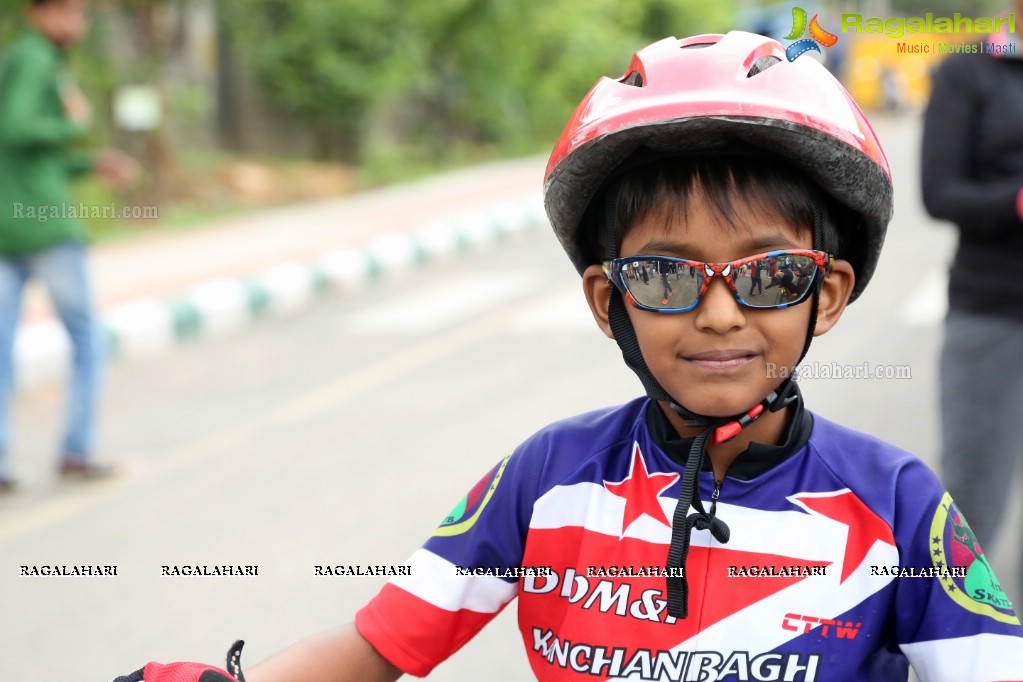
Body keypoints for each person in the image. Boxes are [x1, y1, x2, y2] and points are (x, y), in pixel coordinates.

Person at [112, 32, 1023, 682]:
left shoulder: (895, 504)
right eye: (665, 276)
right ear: (607, 302)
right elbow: (382, 645)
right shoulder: (547, 478)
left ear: (824, 295)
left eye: (768, 275)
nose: (715, 315)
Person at [0, 0, 136, 491]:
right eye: (74, 13)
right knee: (85, 339)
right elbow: (15, 129)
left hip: (9, 221)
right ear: (44, 12)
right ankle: (76, 450)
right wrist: (74, 124)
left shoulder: (19, 58)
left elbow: (25, 153)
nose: (80, 24)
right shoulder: (36, 59)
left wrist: (86, 163)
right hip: (43, 224)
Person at [921, 6, 1023, 607]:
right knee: (974, 488)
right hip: (995, 307)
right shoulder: (971, 69)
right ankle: (952, 627)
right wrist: (1015, 203)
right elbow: (939, 191)